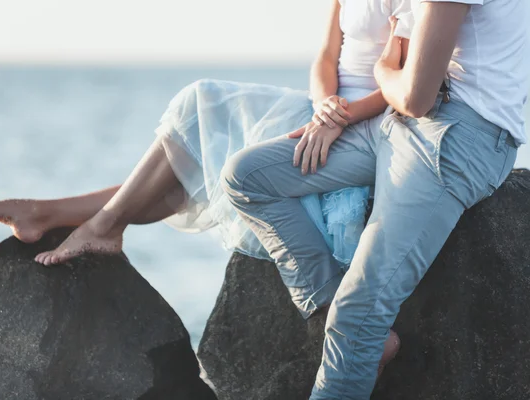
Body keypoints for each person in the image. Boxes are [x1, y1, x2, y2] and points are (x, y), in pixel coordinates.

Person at [0, 0, 416, 383]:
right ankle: (57, 215)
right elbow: (325, 56)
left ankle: (71, 217)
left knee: (203, 127)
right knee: (201, 116)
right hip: (321, 108)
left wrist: (341, 118)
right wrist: (322, 107)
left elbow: (407, 80)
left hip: (370, 124)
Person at [221, 0, 530, 398]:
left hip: (456, 135)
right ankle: (329, 308)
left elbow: (414, 93)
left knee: (359, 311)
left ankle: (352, 332)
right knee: (247, 177)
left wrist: (383, 71)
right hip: (398, 123)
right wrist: (334, 112)